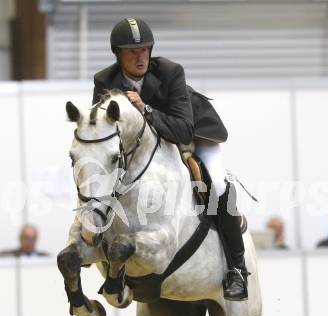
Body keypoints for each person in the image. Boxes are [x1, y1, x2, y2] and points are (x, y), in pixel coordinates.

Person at [91, 18, 249, 301]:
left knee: (217, 184)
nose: (140, 56)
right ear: (118, 54)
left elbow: (181, 129)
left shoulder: (170, 72)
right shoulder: (104, 80)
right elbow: (104, 131)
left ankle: (237, 269)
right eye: (132, 51)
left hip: (192, 132)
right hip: (148, 144)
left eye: (145, 50)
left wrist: (145, 108)